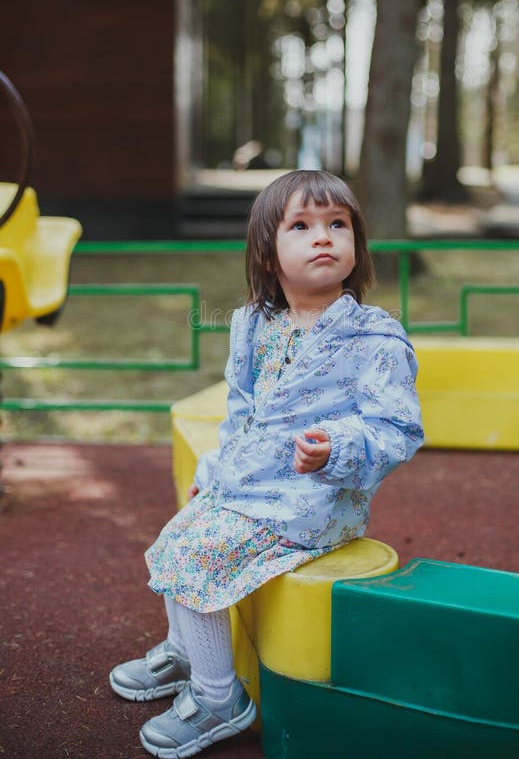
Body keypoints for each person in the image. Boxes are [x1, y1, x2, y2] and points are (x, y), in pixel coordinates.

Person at [109, 170, 424, 757]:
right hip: (249, 483)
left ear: (357, 244)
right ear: (267, 252)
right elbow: (242, 413)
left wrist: (337, 446)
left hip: (315, 502)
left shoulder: (374, 338)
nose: (324, 237)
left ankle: (218, 699)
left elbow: (398, 427)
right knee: (178, 533)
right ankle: (187, 649)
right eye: (301, 226)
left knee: (194, 555)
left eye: (338, 224)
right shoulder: (254, 324)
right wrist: (215, 473)